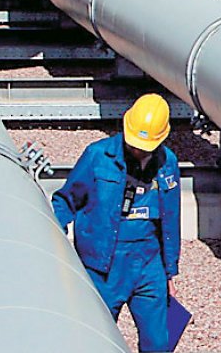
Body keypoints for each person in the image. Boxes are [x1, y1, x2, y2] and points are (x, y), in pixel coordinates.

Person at [53, 93, 182, 352]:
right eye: (134, 144)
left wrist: (169, 271)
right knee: (96, 338)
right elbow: (65, 202)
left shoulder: (168, 164)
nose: (138, 150)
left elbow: (171, 220)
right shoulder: (98, 157)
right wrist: (55, 251)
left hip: (149, 263)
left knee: (159, 343)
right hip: (103, 266)